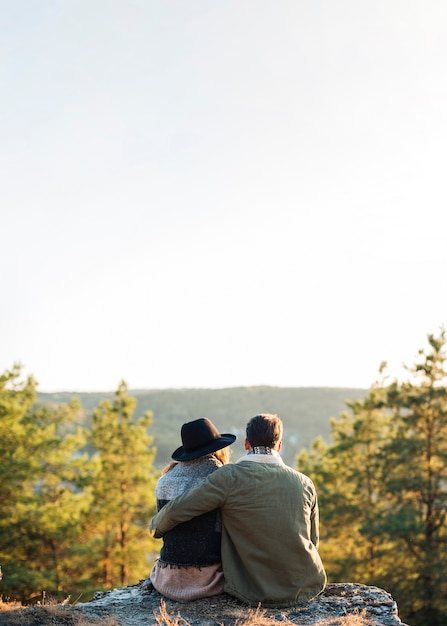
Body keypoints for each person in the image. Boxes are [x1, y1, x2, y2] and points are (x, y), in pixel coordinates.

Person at [150, 413, 326, 608]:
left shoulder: (229, 477)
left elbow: (176, 511)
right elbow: (313, 541)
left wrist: (156, 527)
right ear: (279, 445)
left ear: (246, 444)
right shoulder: (305, 483)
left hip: (253, 591)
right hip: (307, 585)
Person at [149, 417, 236, 602]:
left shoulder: (164, 480)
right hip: (208, 579)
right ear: (218, 447)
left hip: (166, 577)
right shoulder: (222, 476)